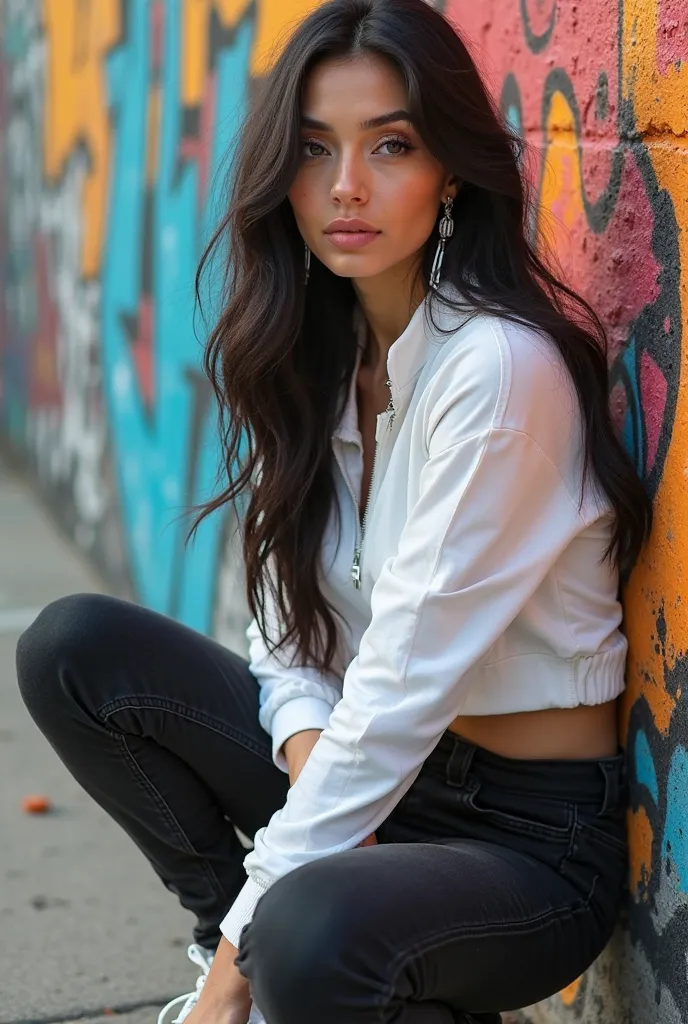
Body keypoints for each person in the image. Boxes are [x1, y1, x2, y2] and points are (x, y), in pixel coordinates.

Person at [16, 1, 652, 1022]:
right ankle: (264, 967)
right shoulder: (310, 357)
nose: (345, 187)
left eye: (390, 145)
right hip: (379, 785)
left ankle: (256, 978)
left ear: (449, 168)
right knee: (75, 648)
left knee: (307, 931)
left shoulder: (495, 373)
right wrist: (317, 807)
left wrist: (245, 959)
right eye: (313, 150)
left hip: (524, 847)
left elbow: (399, 683)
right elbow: (285, 646)